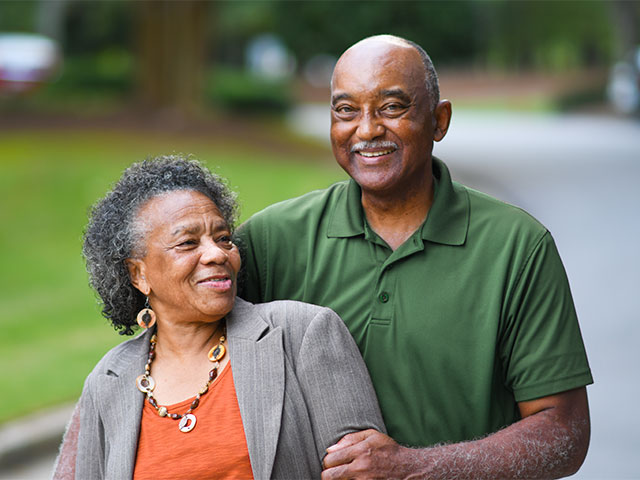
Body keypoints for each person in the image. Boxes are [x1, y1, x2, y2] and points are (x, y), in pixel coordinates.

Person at [236, 35, 593, 479]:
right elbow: (182, 345)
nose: (366, 129)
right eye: (346, 110)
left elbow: (564, 432)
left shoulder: (517, 246)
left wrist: (412, 468)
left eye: (391, 107)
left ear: (438, 120)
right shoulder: (271, 240)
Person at [52, 155, 385, 480]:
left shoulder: (302, 334)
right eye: (187, 243)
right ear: (139, 274)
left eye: (223, 238)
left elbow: (366, 473)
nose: (216, 254)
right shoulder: (109, 381)